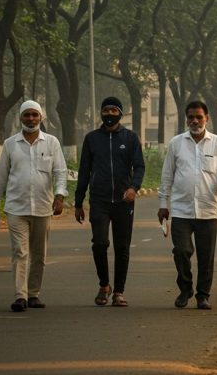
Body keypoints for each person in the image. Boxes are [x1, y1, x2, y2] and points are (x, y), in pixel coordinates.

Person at [0, 100, 67, 312]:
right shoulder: (10, 144)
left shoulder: (51, 143)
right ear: (20, 117)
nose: (31, 119)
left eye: (34, 115)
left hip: (43, 207)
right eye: (27, 115)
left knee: (39, 255)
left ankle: (33, 294)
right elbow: (1, 177)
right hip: (16, 208)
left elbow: (60, 172)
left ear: (41, 117)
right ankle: (20, 296)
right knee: (20, 251)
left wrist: (60, 196)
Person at [158, 101, 217, 310]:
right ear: (186, 118)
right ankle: (185, 289)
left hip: (208, 209)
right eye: (191, 117)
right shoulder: (176, 143)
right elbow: (167, 176)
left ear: (206, 118)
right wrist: (163, 203)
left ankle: (203, 295)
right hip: (181, 209)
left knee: (206, 257)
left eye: (199, 117)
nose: (195, 121)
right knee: (181, 250)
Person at [75, 96, 146, 307]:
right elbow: (84, 171)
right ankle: (104, 285)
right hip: (99, 200)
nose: (109, 114)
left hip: (124, 201)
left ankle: (119, 292)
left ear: (120, 114)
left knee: (122, 247)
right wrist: (78, 202)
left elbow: (139, 166)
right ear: (101, 113)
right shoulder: (92, 139)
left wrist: (133, 187)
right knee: (99, 244)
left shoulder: (130, 138)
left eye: (114, 111)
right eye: (106, 110)